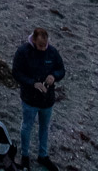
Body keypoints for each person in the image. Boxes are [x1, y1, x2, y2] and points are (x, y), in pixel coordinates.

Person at [11, 27, 64, 165]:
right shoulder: (23, 52)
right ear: (33, 40)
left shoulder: (52, 52)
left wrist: (54, 76)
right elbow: (16, 73)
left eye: (45, 45)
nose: (43, 48)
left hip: (47, 100)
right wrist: (33, 83)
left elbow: (61, 69)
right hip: (29, 99)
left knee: (44, 127)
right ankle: (25, 156)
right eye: (40, 45)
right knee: (27, 127)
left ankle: (43, 155)